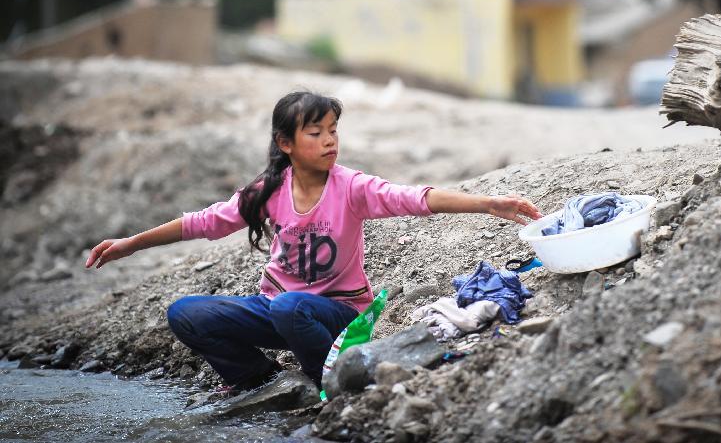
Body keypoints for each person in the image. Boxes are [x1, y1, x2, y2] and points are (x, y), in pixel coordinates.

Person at [85, 90, 542, 393]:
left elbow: (414, 197)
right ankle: (261, 384)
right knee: (185, 313)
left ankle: (327, 379)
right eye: (316, 133)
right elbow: (202, 223)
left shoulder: (351, 186)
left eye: (333, 131)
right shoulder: (267, 191)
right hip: (280, 309)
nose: (329, 141)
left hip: (337, 314)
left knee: (291, 307)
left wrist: (486, 203)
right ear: (286, 142)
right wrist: (132, 243)